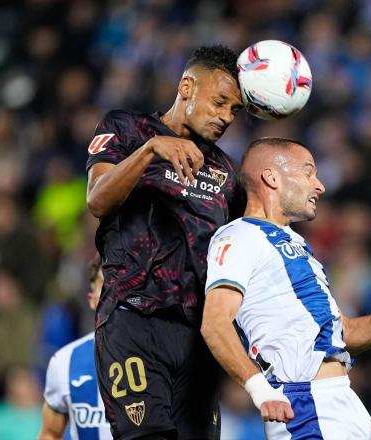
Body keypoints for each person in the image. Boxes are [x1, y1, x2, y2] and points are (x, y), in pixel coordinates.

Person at [201, 137, 371, 439]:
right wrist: (259, 388)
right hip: (304, 404)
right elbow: (214, 322)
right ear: (271, 177)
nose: (319, 185)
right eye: (308, 172)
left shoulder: (296, 244)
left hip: (342, 401)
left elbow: (344, 334)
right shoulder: (238, 237)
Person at [86, 45, 245, 439]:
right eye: (220, 102)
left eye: (234, 110)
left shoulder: (225, 171)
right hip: (134, 318)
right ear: (186, 86)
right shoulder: (125, 129)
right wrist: (150, 149)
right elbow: (97, 199)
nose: (226, 117)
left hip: (197, 337)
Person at [39, 256, 111, 439]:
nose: (113, 292)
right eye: (105, 283)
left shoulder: (164, 355)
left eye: (120, 282)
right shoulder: (63, 363)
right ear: (92, 299)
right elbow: (50, 434)